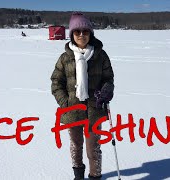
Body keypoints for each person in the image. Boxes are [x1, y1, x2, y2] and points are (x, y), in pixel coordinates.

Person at [50, 12, 114, 180]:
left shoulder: (101, 56)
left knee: (93, 148)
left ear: (90, 34)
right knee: (76, 146)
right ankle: (78, 177)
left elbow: (109, 79)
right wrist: (66, 102)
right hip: (73, 111)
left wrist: (107, 90)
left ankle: (95, 176)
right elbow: (56, 82)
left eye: (85, 31)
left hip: (95, 109)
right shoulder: (65, 58)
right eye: (77, 32)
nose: (81, 35)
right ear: (72, 34)